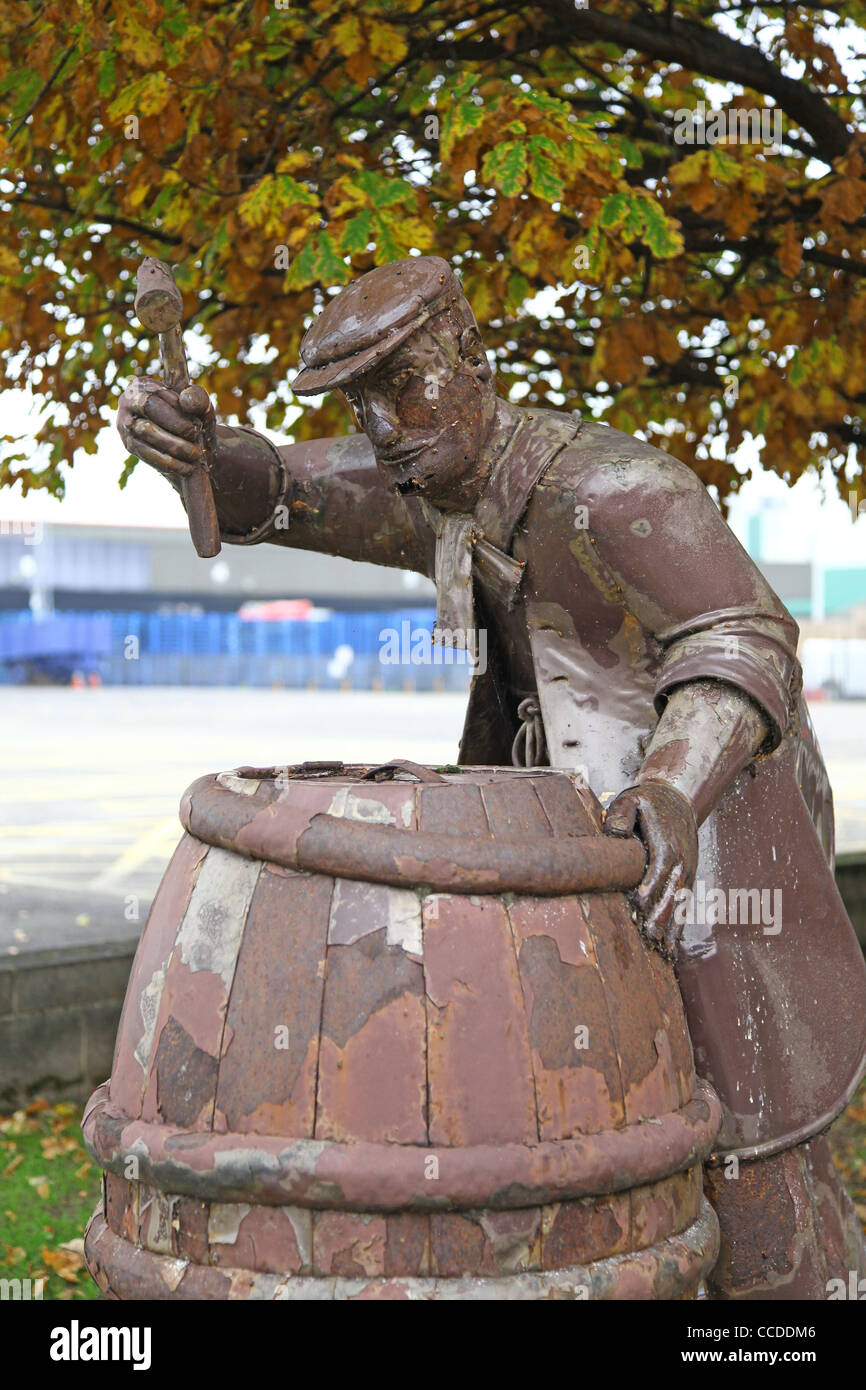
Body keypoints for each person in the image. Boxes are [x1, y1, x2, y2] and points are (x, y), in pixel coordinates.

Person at [118, 254, 866, 1299]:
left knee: (756, 1188)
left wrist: (669, 785)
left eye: (402, 384)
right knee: (624, 1168)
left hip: (703, 863)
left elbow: (742, 640)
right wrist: (200, 455)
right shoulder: (439, 487)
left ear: (471, 357)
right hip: (580, 872)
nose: (382, 429)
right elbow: (289, 490)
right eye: (361, 402)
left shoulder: (619, 491)